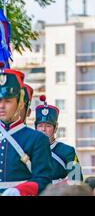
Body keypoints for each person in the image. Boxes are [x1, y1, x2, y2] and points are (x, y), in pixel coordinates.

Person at [0, 67, 52, 196]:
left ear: (20, 103)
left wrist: (19, 191)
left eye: (7, 101)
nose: (1, 106)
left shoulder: (37, 139)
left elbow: (44, 180)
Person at [35, 95, 83, 184]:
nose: (43, 129)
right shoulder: (30, 150)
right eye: (40, 126)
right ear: (35, 128)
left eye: (48, 126)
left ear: (55, 128)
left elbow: (76, 179)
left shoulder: (67, 151)